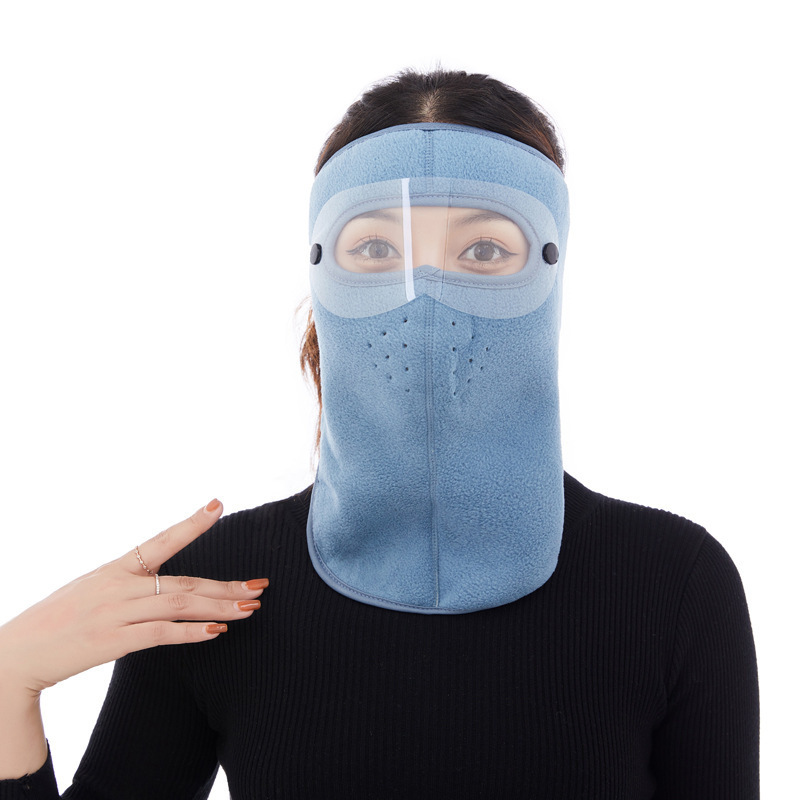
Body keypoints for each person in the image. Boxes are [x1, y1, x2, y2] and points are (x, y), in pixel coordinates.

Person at [0, 69, 759, 798]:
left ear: (551, 269)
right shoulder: (215, 589)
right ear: (322, 270)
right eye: (374, 250)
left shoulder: (676, 583)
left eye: (485, 250)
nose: (422, 298)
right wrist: (8, 678)